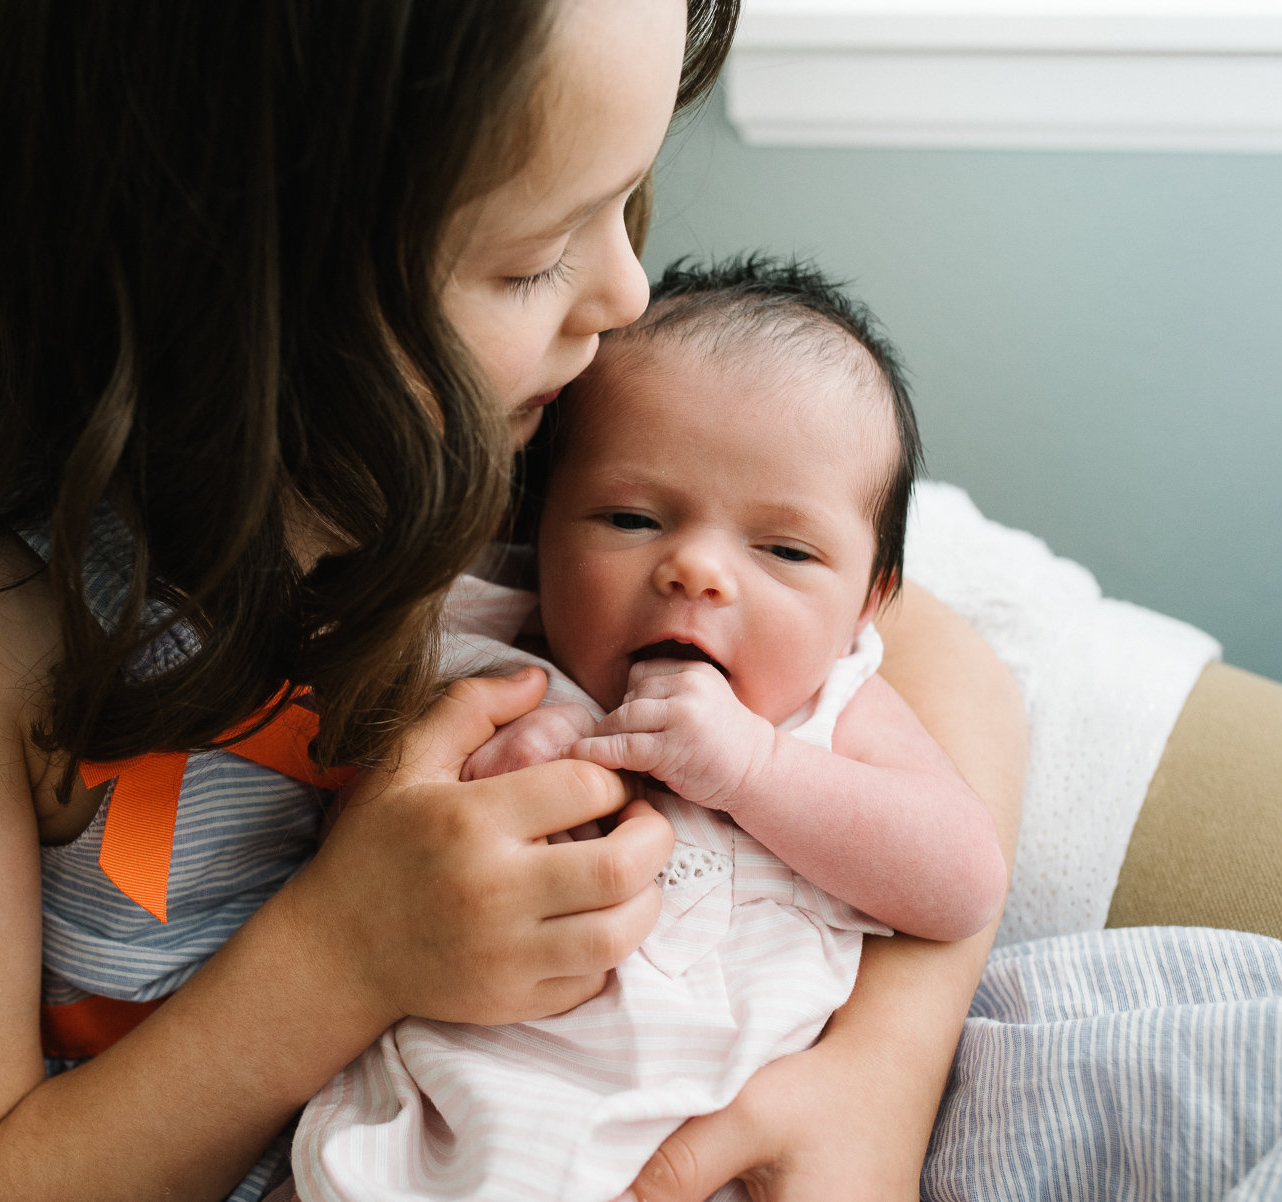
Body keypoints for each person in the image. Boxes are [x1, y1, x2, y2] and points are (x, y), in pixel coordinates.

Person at [0, 2, 1027, 1200]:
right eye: (537, 256)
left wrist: (881, 1072)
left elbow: (940, 666)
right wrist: (347, 957)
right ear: (242, 277)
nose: (629, 296)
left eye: (627, 203)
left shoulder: (528, 451)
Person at [293, 258, 1008, 1201]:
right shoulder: (493, 667)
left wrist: (754, 767)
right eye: (631, 518)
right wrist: (494, 781)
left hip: (724, 1161)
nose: (698, 569)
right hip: (443, 1155)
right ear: (534, 535)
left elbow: (961, 881)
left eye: (785, 550)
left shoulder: (835, 707)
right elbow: (366, 861)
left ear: (869, 603)